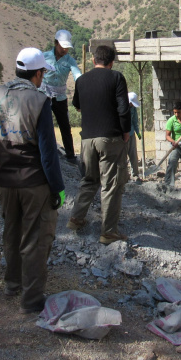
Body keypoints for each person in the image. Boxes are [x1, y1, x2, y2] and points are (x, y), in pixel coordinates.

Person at [0, 47, 66, 314]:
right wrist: (58, 189)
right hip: (34, 183)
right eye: (42, 73)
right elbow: (48, 154)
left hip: (5, 180)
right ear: (38, 73)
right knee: (36, 240)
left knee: (12, 233)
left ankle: (12, 284)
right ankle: (31, 300)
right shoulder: (39, 101)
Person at [67, 45, 131, 245]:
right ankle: (108, 232)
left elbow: (77, 105)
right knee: (111, 185)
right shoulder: (116, 78)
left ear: (94, 60)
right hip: (110, 138)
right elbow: (123, 108)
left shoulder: (82, 80)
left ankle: (76, 219)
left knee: (88, 180)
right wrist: (126, 132)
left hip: (87, 139)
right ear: (111, 62)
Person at [41, 29, 83, 163]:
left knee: (64, 126)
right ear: (55, 43)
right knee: (43, 123)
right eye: (62, 46)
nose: (64, 50)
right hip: (43, 95)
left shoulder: (70, 61)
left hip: (60, 97)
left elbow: (77, 76)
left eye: (66, 47)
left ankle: (70, 155)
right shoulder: (44, 56)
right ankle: (45, 150)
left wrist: (82, 84)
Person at [127, 92, 142, 183]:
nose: (132, 105)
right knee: (122, 156)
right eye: (131, 103)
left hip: (131, 134)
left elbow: (135, 121)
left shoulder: (133, 109)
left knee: (133, 155)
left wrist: (138, 133)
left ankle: (135, 174)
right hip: (121, 135)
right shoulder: (120, 107)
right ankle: (124, 175)